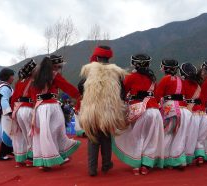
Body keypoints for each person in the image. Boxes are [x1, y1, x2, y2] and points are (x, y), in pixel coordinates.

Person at [112, 54, 165, 175]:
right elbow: (156, 95)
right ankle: (146, 165)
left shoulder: (130, 77)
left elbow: (122, 93)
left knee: (137, 136)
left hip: (140, 110)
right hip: (155, 111)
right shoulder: (152, 79)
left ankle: (136, 163)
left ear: (134, 63)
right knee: (151, 138)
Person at [78, 46, 127, 176]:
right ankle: (106, 165)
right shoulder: (116, 73)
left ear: (97, 57)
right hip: (108, 112)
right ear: (109, 57)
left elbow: (80, 86)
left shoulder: (89, 71)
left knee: (92, 138)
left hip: (91, 111)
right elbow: (122, 92)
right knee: (106, 137)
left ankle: (92, 169)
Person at [31, 55, 81, 170]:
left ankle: (46, 159)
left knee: (43, 133)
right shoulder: (54, 75)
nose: (59, 69)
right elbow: (66, 86)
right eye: (59, 67)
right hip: (52, 106)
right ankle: (53, 156)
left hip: (39, 107)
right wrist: (79, 95)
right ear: (54, 66)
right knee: (57, 131)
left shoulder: (36, 76)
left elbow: (32, 93)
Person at [155, 59, 191, 169]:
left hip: (172, 110)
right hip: (184, 110)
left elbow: (157, 95)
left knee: (167, 134)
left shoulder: (165, 79)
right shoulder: (180, 80)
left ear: (165, 68)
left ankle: (164, 160)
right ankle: (179, 161)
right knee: (179, 136)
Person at [181, 63, 207, 165]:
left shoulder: (183, 83)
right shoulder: (199, 85)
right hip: (203, 114)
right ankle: (200, 156)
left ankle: (186, 159)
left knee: (189, 137)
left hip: (192, 113)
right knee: (200, 138)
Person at [11, 59, 36, 167]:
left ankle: (21, 158)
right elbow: (35, 95)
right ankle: (31, 158)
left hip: (18, 110)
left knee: (22, 135)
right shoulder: (33, 80)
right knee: (32, 134)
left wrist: (13, 111)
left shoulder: (19, 81)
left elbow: (13, 99)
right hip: (28, 108)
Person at [0, 68, 15, 160]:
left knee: (10, 131)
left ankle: (9, 150)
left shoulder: (2, 86)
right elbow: (4, 101)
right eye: (12, 76)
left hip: (3, 112)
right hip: (6, 113)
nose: (13, 78)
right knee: (8, 132)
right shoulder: (5, 88)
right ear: (8, 76)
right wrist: (9, 112)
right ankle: (2, 154)